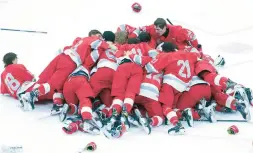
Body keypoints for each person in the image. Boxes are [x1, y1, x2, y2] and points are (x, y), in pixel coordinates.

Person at [19, 30, 116, 114]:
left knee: (49, 81)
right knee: (54, 84)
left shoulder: (81, 39)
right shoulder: (95, 40)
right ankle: (30, 96)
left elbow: (61, 49)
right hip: (70, 62)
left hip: (61, 57)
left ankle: (54, 103)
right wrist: (111, 46)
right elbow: (97, 49)